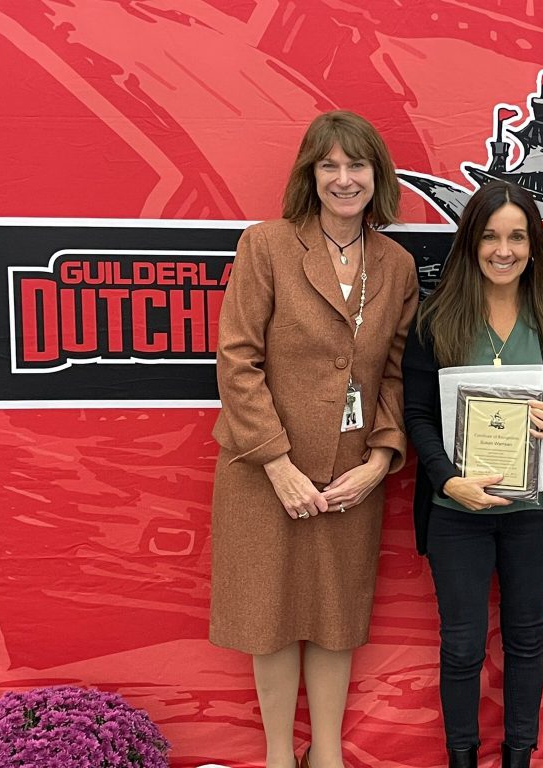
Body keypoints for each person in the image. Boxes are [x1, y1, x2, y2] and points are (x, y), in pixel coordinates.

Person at [209, 110, 418, 768]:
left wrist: (380, 461)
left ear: (375, 176)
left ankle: (325, 755)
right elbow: (237, 364)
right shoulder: (266, 246)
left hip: (349, 475)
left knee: (334, 618)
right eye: (328, 165)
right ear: (309, 174)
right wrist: (278, 466)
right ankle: (277, 756)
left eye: (355, 165)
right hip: (263, 470)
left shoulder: (398, 264)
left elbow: (394, 372)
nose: (343, 178)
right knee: (269, 615)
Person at [402, 181, 543, 768]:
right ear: (470, 242)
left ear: (534, 245)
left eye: (517, 236)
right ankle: (461, 759)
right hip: (457, 512)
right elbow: (418, 414)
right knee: (461, 646)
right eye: (489, 236)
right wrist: (446, 479)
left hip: (532, 514)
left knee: (527, 642)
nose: (503, 250)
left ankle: (518, 758)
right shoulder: (436, 319)